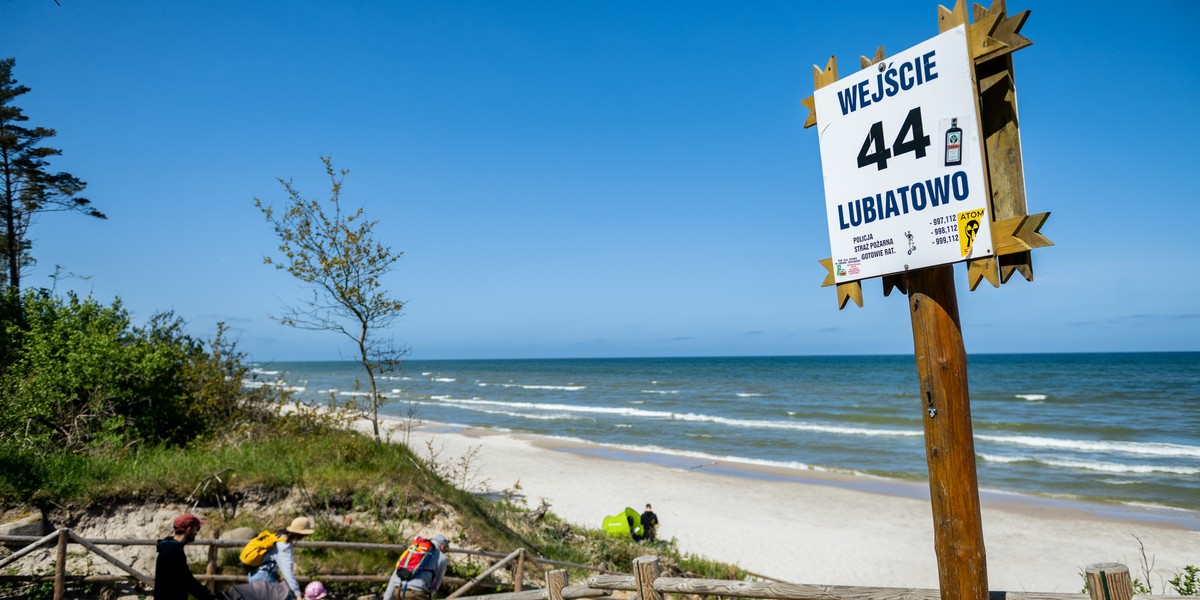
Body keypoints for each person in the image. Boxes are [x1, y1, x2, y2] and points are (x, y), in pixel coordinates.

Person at [247, 516, 316, 599]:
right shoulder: (285, 546)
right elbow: (288, 573)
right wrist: (297, 593)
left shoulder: (277, 537)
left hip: (253, 576)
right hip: (264, 578)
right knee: (287, 597)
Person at [154, 513, 218, 600]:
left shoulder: (168, 547)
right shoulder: (174, 551)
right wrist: (209, 595)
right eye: (197, 528)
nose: (196, 533)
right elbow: (187, 580)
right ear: (188, 530)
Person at [383, 534, 450, 600]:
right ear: (442, 546)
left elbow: (397, 572)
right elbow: (436, 583)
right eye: (446, 550)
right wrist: (429, 594)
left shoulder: (413, 550)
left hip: (397, 591)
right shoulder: (441, 557)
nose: (444, 552)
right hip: (417, 594)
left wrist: (387, 597)